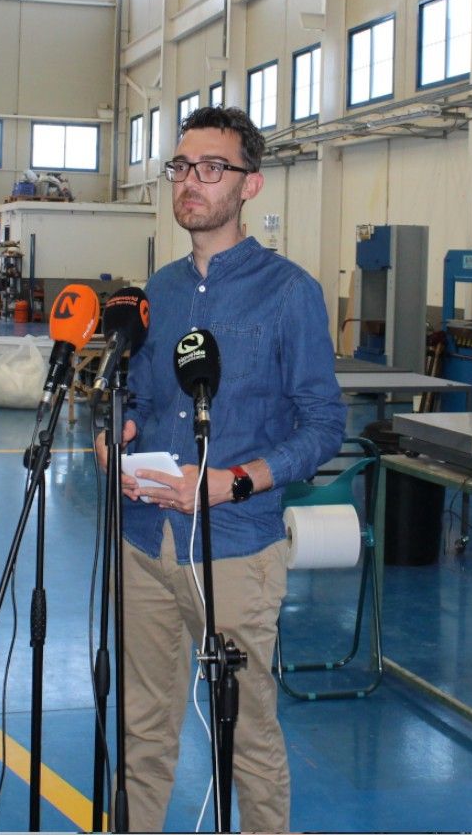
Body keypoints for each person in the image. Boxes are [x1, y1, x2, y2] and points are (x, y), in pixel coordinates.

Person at [94, 105, 345, 832]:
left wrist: (232, 482)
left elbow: (324, 426)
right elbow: (142, 397)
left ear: (249, 185)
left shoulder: (288, 292)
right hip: (144, 542)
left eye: (211, 168)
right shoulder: (160, 290)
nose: (190, 181)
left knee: (248, 738)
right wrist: (114, 433)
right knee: (142, 730)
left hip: (233, 547)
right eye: (181, 167)